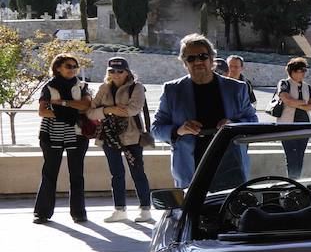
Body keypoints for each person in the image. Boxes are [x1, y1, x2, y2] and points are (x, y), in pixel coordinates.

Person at [152, 34, 258, 188]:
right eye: (191, 58)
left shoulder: (236, 88)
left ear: (212, 58)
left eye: (202, 56)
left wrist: (232, 124)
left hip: (231, 168)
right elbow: (156, 129)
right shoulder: (172, 90)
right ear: (184, 63)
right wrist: (179, 130)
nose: (198, 62)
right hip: (191, 172)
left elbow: (253, 122)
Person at [87, 57, 153, 223]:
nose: (115, 74)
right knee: (116, 174)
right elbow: (90, 113)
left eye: (119, 71)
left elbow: (133, 110)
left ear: (127, 72)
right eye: (112, 71)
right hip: (109, 137)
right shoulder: (104, 88)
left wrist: (105, 111)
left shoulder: (136, 88)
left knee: (138, 172)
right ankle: (119, 209)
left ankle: (145, 209)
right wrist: (111, 109)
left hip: (132, 137)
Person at [33, 52, 91, 224]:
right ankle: (42, 213)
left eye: (75, 66)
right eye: (68, 66)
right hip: (51, 134)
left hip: (77, 134)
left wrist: (61, 104)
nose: (72, 69)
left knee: (77, 174)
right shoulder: (48, 87)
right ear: (58, 68)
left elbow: (86, 106)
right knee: (49, 174)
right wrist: (73, 108)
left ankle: (79, 213)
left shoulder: (82, 86)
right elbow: (42, 111)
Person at [274, 58, 311, 178]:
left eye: (305, 70)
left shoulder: (307, 87)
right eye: (301, 70)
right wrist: (304, 103)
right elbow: (286, 99)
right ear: (292, 71)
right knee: (291, 156)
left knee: (300, 155)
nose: (303, 73)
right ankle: (292, 181)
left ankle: (298, 180)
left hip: (305, 127)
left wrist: (297, 103)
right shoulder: (284, 83)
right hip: (287, 126)